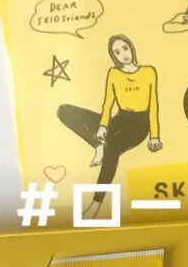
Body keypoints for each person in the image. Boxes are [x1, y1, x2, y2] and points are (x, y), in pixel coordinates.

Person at [57, 34, 161, 214]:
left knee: (112, 147)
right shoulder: (114, 73)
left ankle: (96, 204)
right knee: (64, 110)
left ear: (131, 48)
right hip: (119, 119)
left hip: (139, 125)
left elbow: (153, 105)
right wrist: (103, 127)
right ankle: (97, 145)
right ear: (114, 56)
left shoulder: (148, 72)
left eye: (125, 48)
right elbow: (108, 103)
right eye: (117, 52)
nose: (123, 55)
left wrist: (155, 136)